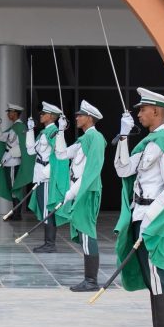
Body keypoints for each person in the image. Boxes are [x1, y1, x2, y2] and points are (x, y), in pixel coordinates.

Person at [114, 87, 164, 327]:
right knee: (152, 279)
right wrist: (123, 137)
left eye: (142, 109)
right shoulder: (149, 143)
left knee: (159, 277)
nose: (139, 114)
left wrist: (151, 220)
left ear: (156, 111)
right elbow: (123, 169)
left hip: (152, 222)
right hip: (140, 217)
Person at [54, 101, 106, 292]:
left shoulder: (96, 138)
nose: (76, 118)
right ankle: (89, 279)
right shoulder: (84, 139)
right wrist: (60, 131)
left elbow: (91, 170)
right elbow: (61, 154)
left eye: (80, 115)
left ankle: (91, 281)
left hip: (86, 190)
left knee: (87, 232)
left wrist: (73, 192)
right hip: (79, 189)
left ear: (90, 118)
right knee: (84, 233)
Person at [25, 102, 69, 252]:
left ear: (51, 116)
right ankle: (48, 243)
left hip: (46, 177)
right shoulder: (44, 132)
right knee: (44, 209)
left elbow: (60, 155)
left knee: (47, 210)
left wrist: (46, 173)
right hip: (39, 175)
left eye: (43, 114)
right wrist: (30, 130)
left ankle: (50, 244)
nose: (41, 116)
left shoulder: (54, 132)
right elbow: (31, 151)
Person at [0, 104, 34, 220]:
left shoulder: (21, 127)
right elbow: (1, 137)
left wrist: (10, 154)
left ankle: (17, 214)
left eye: (10, 112)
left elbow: (22, 146)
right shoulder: (14, 127)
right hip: (8, 162)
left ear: (15, 113)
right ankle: (15, 211)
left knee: (14, 188)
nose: (8, 114)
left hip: (13, 162)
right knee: (11, 188)